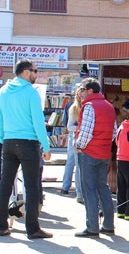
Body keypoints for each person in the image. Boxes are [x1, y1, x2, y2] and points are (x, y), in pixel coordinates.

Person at [0, 59, 53, 239]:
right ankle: (32, 229)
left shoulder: (3, 91)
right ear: (25, 71)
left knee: (5, 185)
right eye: (34, 71)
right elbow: (38, 122)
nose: (35, 74)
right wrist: (46, 146)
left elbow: (0, 120)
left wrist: (2, 139)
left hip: (8, 142)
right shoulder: (31, 92)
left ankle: (1, 225)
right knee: (31, 186)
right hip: (28, 143)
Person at [74, 77, 117, 238]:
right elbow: (114, 132)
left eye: (82, 90)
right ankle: (108, 224)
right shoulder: (109, 106)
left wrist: (78, 146)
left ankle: (92, 226)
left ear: (90, 91)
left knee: (89, 190)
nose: (81, 93)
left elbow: (85, 132)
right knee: (103, 188)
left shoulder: (90, 106)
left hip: (89, 153)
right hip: (104, 153)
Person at [61, 86, 83, 203]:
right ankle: (79, 193)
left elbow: (65, 123)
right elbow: (69, 125)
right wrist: (81, 128)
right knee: (78, 165)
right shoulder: (74, 107)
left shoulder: (70, 105)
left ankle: (65, 187)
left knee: (70, 162)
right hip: (76, 137)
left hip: (72, 137)